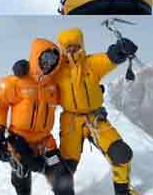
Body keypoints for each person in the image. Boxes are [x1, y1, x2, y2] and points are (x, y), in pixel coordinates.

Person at [53, 28, 139, 195]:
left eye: (75, 46)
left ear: (82, 45)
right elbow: (39, 75)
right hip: (71, 123)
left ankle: (123, 192)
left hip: (95, 118)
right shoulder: (57, 71)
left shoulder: (91, 63)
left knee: (120, 153)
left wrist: (120, 49)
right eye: (67, 47)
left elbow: (109, 58)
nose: (71, 50)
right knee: (63, 169)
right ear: (61, 48)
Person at [0, 39, 74, 195]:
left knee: (64, 180)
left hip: (45, 142)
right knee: (22, 177)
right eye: (46, 58)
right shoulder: (17, 81)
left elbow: (72, 84)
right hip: (19, 141)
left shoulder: (54, 86)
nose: (49, 63)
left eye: (54, 61)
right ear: (36, 57)